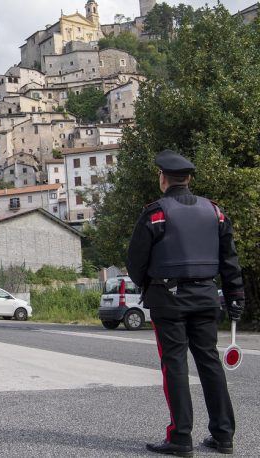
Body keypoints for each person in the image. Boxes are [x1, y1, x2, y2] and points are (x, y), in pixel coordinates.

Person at [126, 149, 245, 457]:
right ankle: (223, 436)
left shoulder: (156, 213)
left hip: (168, 299)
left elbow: (136, 262)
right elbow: (230, 260)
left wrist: (147, 283)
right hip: (207, 297)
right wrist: (235, 297)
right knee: (210, 364)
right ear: (189, 179)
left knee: (175, 366)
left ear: (163, 179)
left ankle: (180, 438)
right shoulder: (215, 212)